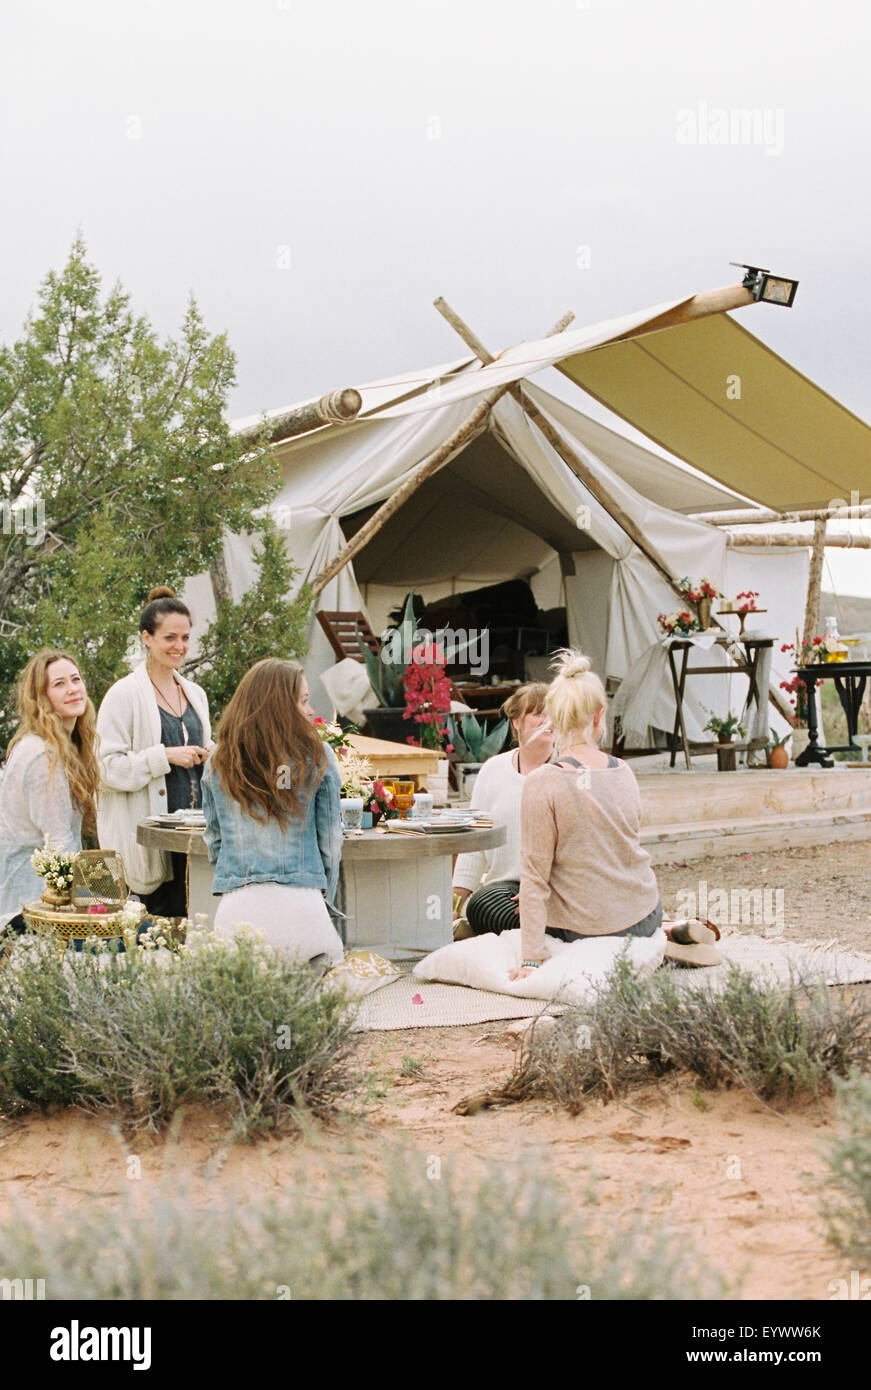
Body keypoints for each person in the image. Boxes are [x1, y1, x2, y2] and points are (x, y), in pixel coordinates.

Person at [510, 649, 662, 980]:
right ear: (598, 716)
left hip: (584, 929)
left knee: (492, 903)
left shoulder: (543, 781)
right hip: (645, 915)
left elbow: (534, 877)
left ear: (553, 716)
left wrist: (532, 958)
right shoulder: (624, 771)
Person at [201, 658, 344, 964]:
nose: (310, 711)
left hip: (235, 915)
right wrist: (324, 901)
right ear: (279, 706)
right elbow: (331, 845)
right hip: (303, 910)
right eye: (303, 701)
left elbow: (214, 843)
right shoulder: (318, 756)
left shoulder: (218, 760)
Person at [96, 587, 211, 917]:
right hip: (147, 840)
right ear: (147, 637)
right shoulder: (123, 694)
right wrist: (165, 756)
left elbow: (203, 746)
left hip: (193, 839)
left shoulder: (195, 693)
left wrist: (214, 754)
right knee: (150, 933)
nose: (180, 647)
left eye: (186, 638)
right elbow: (105, 769)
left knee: (192, 929)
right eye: (170, 638)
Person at [0, 650, 99, 936]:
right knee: (140, 935)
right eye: (59, 684)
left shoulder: (59, 745)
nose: (72, 689)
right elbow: (59, 843)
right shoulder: (43, 755)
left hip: (44, 900)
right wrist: (99, 905)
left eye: (75, 679)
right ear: (41, 697)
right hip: (27, 908)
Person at [451, 683, 554, 938]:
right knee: (482, 906)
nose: (548, 721)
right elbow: (474, 842)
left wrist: (544, 891)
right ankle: (553, 932)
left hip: (557, 889)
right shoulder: (493, 770)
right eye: (539, 714)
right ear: (516, 722)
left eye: (554, 714)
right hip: (506, 892)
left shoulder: (569, 769)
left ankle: (551, 928)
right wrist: (454, 905)